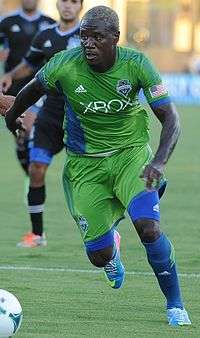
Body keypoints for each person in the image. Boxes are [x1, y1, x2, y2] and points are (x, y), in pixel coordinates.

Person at [1, 5, 191, 326]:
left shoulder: (137, 65)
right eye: (84, 37)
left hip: (131, 157)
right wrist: (10, 118)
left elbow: (171, 118)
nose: (88, 44)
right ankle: (111, 252)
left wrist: (158, 161)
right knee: (97, 255)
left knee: (148, 227)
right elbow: (30, 92)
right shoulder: (65, 65)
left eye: (97, 38)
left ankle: (175, 305)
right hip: (85, 168)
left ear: (115, 39)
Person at [0, 0, 83, 248]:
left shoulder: (88, 35)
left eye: (74, 2)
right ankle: (37, 234)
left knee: (84, 176)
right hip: (51, 109)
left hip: (81, 112)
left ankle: (103, 230)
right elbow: (30, 64)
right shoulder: (45, 34)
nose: (68, 6)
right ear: (58, 4)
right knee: (37, 167)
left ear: (80, 6)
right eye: (64, 1)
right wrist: (9, 76)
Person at [0, 0, 55, 175]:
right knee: (21, 137)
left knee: (32, 130)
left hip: (39, 88)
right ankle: (29, 172)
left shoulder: (49, 23)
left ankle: (34, 172)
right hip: (13, 87)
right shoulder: (6, 22)